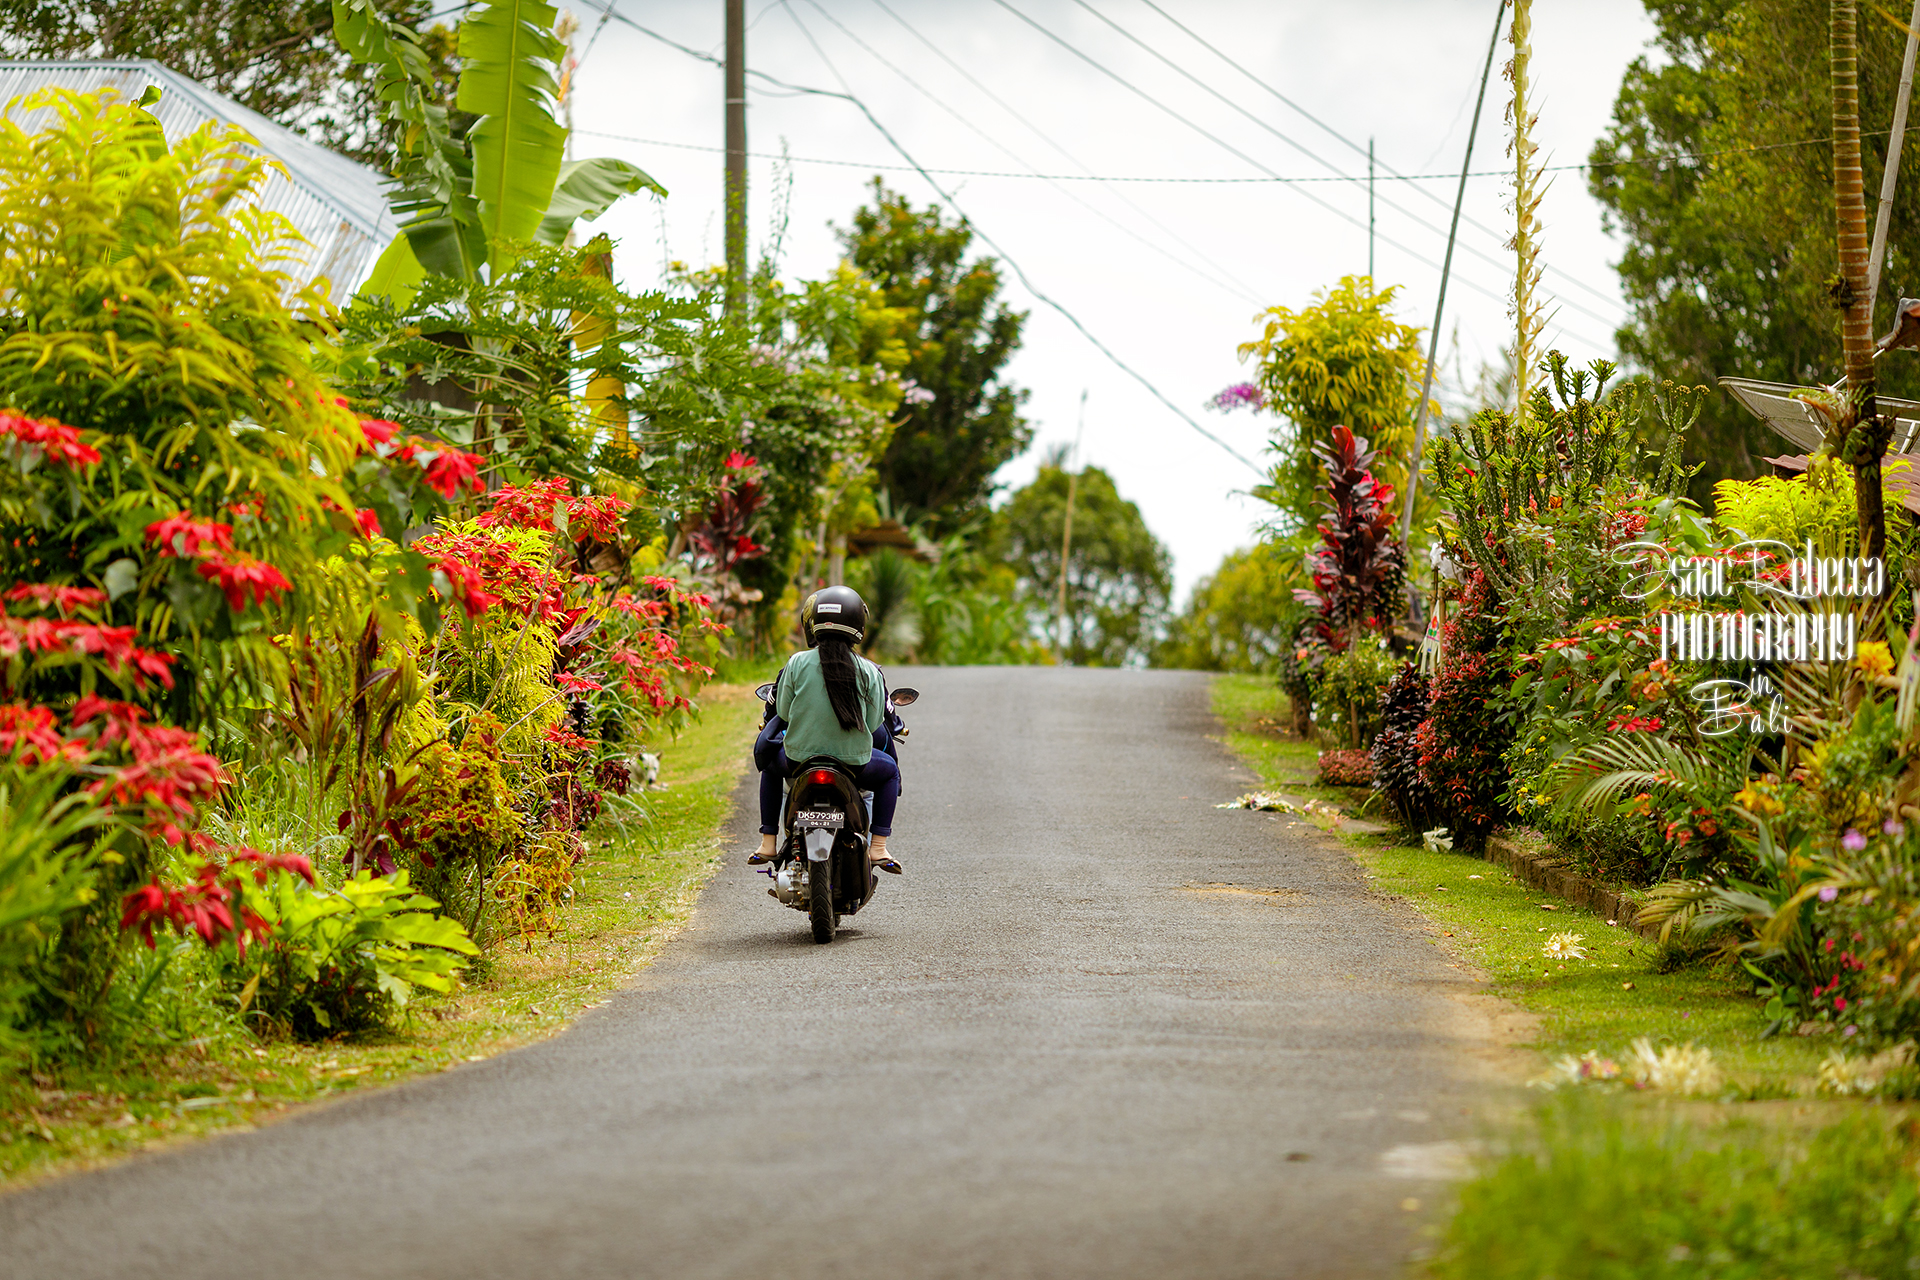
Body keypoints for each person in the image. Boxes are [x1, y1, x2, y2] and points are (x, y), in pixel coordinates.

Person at [748, 586, 903, 874]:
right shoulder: (869, 670)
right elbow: (872, 725)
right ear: (858, 625)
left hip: (798, 760)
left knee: (769, 764)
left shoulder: (796, 663)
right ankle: (878, 846)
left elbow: (782, 712)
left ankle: (768, 841)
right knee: (890, 770)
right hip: (854, 764)